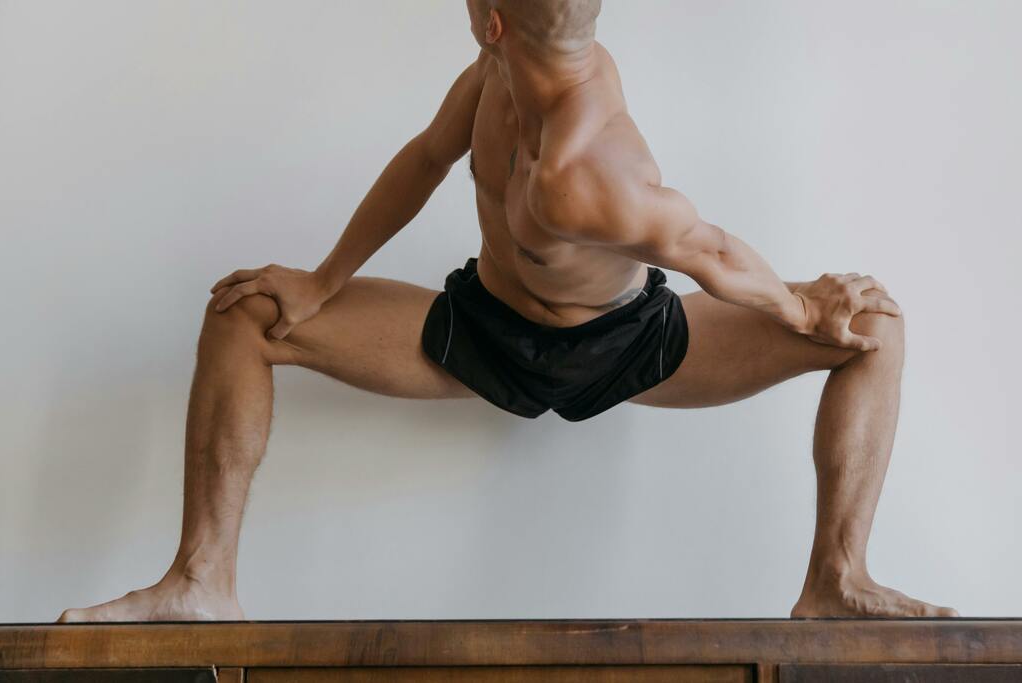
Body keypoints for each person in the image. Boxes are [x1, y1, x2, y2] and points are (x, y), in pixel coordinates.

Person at [58, 0, 957, 621]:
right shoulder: (496, 73)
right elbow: (426, 158)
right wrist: (323, 280)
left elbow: (708, 251)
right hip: (483, 328)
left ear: (490, 17)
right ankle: (202, 582)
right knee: (247, 313)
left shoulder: (588, 170)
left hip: (628, 346)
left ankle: (836, 578)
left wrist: (803, 307)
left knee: (876, 329)